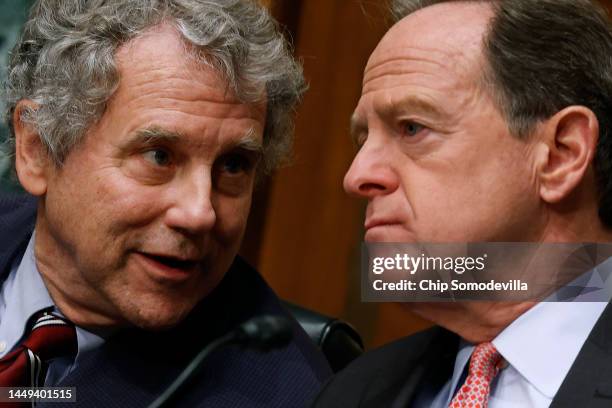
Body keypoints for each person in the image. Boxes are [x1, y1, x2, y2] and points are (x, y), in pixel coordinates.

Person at [0, 0, 332, 406]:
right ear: (37, 149)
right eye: (159, 156)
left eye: (232, 165)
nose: (200, 214)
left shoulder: (283, 396)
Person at [313, 0, 612, 407]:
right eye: (363, 139)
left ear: (561, 154)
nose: (356, 176)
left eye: (413, 128)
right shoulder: (352, 392)